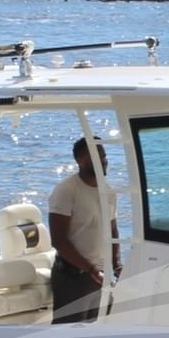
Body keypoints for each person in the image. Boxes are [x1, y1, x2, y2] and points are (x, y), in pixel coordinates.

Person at [48, 136, 119, 323]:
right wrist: (90, 269)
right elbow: (59, 240)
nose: (103, 159)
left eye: (103, 154)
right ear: (79, 160)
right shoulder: (67, 190)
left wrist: (116, 264)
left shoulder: (108, 192)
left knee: (96, 335)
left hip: (101, 275)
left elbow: (113, 230)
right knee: (68, 337)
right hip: (74, 276)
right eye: (96, 155)